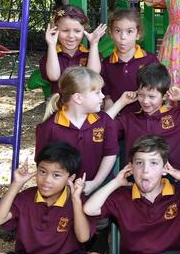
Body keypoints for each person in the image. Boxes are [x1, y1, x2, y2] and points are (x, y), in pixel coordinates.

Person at [83, 135, 180, 254]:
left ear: (165, 168)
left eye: (153, 163)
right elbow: (90, 209)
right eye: (139, 163)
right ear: (131, 168)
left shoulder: (179, 192)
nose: (145, 170)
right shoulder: (121, 196)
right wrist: (116, 182)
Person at [0, 142, 101, 254]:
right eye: (42, 171)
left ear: (70, 178)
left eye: (56, 175)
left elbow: (83, 237)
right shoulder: (26, 197)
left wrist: (76, 201)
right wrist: (16, 184)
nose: (46, 180)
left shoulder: (78, 199)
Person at [106, 63, 180, 175]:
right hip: (137, 182)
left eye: (151, 97)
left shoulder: (179, 116)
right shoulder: (129, 119)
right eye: (141, 95)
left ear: (165, 96)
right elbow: (101, 126)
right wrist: (121, 102)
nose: (145, 101)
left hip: (175, 182)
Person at [35, 67, 118, 195]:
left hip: (96, 191)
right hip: (60, 196)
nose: (102, 96)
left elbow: (110, 153)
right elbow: (43, 164)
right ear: (78, 98)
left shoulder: (105, 121)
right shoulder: (48, 127)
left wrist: (95, 183)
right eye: (97, 92)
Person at [100, 8, 159, 114]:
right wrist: (107, 99)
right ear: (111, 33)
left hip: (144, 117)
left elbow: (158, 86)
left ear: (138, 34)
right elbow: (105, 88)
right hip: (117, 116)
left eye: (129, 31)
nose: (123, 37)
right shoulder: (107, 63)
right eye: (118, 31)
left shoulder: (150, 59)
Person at [40, 4, 107, 95]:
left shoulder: (90, 55)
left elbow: (93, 75)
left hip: (86, 108)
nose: (71, 36)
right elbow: (53, 76)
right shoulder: (52, 56)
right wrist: (51, 45)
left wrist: (94, 44)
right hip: (61, 107)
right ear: (56, 30)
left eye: (77, 31)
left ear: (84, 30)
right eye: (65, 30)